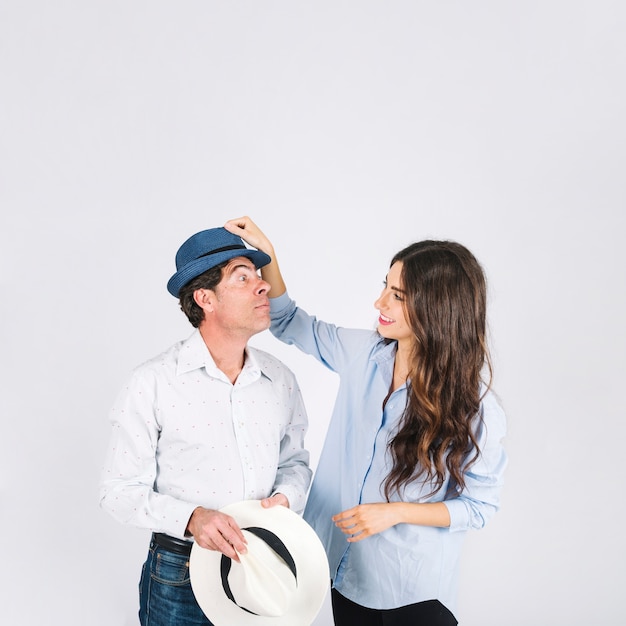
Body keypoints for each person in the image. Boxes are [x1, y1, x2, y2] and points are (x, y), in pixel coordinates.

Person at [224, 216, 507, 626]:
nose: (379, 304)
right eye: (385, 287)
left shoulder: (476, 407)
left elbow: (479, 506)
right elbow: (289, 323)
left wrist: (396, 511)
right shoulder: (363, 354)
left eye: (397, 296)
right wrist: (266, 253)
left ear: (436, 309)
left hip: (412, 592)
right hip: (344, 575)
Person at [99, 227, 312, 626]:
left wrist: (286, 497)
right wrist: (193, 517)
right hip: (180, 572)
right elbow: (118, 491)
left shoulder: (281, 379)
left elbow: (295, 463)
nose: (263, 286)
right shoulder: (153, 382)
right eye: (242, 277)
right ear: (205, 299)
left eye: (257, 275)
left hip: (267, 558)